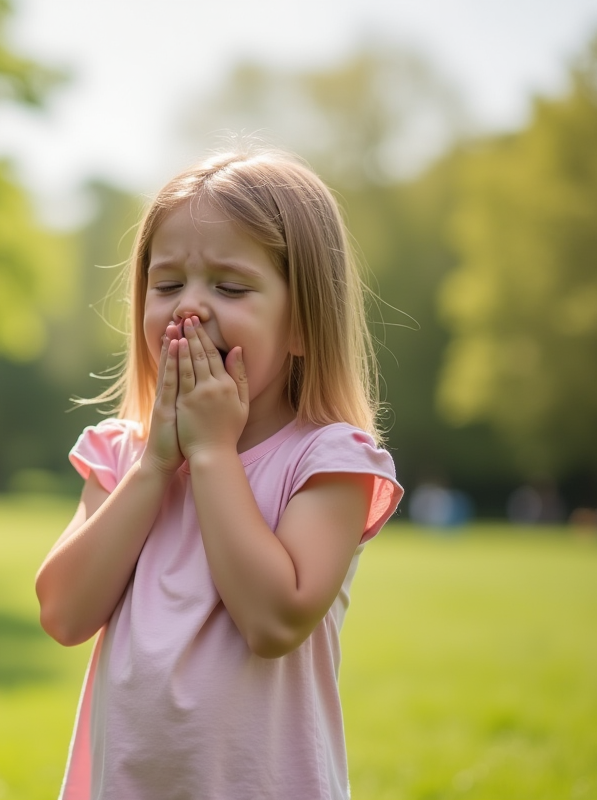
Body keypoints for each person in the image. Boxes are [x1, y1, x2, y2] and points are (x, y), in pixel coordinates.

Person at [35, 148, 403, 800]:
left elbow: (274, 620)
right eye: (168, 284)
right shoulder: (122, 454)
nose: (190, 308)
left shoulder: (329, 461)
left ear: (303, 326)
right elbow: (64, 612)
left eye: (230, 287)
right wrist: (155, 465)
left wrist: (211, 454)